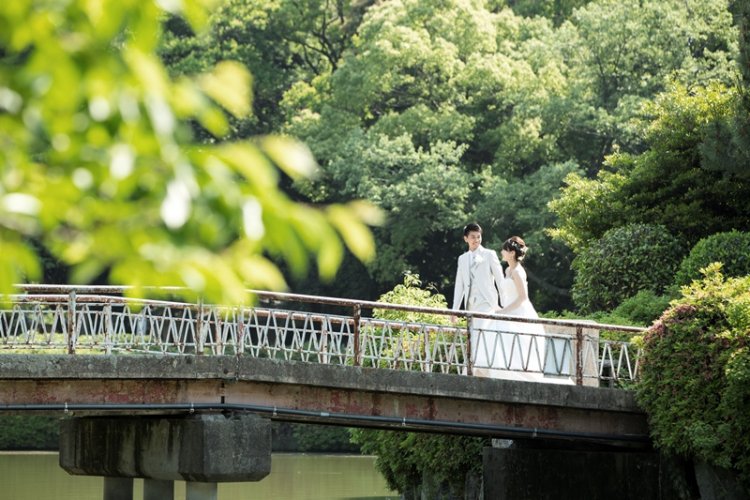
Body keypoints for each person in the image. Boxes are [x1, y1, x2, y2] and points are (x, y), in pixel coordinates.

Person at [495, 236, 573, 383]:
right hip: (508, 309)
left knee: (520, 344)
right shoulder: (507, 270)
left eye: (504, 250)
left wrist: (505, 312)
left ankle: (523, 376)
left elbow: (523, 297)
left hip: (519, 311)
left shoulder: (518, 272)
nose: (502, 252)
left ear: (511, 253)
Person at [451, 223, 505, 377]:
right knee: (473, 336)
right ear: (466, 239)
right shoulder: (462, 259)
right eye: (473, 237)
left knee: (484, 334)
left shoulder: (489, 254)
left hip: (487, 303)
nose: (476, 240)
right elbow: (459, 286)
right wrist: (455, 310)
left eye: (478, 236)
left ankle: (483, 370)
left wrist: (503, 304)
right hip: (471, 305)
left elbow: (500, 280)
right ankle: (473, 369)